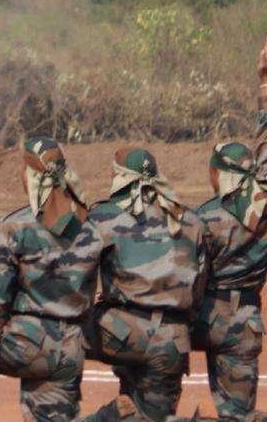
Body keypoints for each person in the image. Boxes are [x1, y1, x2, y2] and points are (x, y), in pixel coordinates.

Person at [0, 136, 102, 422]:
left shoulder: (15, 227)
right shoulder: (91, 226)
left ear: (31, 175)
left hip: (29, 344)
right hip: (72, 349)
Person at [191, 34, 267, 422]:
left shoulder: (205, 219)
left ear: (220, 175)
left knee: (149, 352)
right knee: (237, 413)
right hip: (247, 320)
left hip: (206, 320)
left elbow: (188, 277)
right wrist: (266, 83)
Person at [80, 148, 208, 422]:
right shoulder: (191, 220)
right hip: (172, 340)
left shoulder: (103, 217)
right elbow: (199, 289)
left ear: (121, 177)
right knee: (153, 417)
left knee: (55, 337)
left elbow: (78, 280)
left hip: (119, 333)